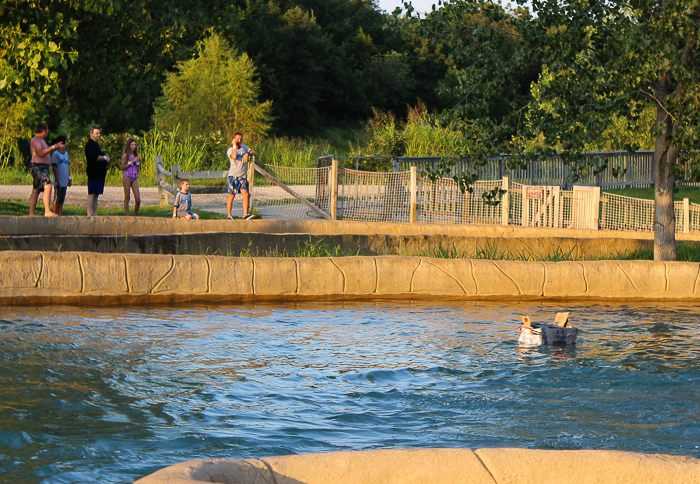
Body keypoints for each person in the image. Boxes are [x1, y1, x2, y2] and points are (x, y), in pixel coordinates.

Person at [29, 122, 65, 217]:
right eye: (47, 130)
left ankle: (32, 213)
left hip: (43, 167)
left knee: (36, 189)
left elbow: (44, 151)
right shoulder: (35, 140)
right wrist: (53, 147)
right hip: (38, 167)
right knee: (48, 185)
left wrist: (55, 146)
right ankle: (47, 211)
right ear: (44, 131)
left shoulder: (41, 140)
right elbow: (40, 153)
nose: (48, 132)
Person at [226, 131, 255, 220]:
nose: (239, 141)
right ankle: (229, 215)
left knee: (245, 194)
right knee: (231, 195)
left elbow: (254, 152)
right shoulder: (230, 150)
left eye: (240, 139)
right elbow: (234, 157)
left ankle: (245, 214)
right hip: (233, 176)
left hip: (242, 176)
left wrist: (247, 154)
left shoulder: (244, 148)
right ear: (234, 139)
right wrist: (234, 146)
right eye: (237, 139)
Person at [85, 126, 109, 217]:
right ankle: (89, 213)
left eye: (99, 133)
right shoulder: (90, 145)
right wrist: (104, 157)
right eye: (96, 133)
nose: (98, 135)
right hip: (93, 172)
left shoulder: (97, 145)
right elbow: (94, 157)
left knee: (96, 193)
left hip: (100, 173)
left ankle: (94, 212)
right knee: (92, 193)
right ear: (91, 134)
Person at [50, 135, 71, 216]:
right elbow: (54, 167)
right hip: (58, 179)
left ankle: (60, 213)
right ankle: (55, 213)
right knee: (57, 197)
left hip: (64, 179)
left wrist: (69, 178)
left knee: (62, 197)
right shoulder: (55, 154)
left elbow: (68, 166)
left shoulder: (66, 154)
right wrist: (57, 180)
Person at [121, 138, 142, 216]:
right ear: (129, 145)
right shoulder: (126, 155)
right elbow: (123, 167)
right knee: (127, 197)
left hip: (134, 176)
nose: (133, 146)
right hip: (127, 176)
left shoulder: (135, 155)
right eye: (132, 145)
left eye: (135, 145)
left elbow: (137, 166)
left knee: (138, 199)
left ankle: (135, 215)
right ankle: (127, 215)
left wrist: (138, 161)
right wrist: (131, 162)